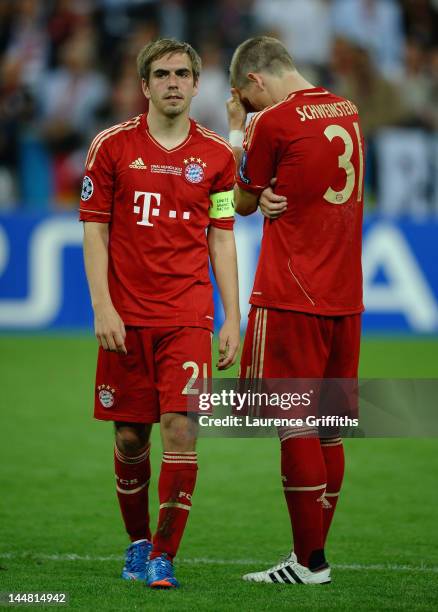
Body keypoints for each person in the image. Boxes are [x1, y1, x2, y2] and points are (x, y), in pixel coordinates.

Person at [80, 38, 240, 589]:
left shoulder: (218, 156)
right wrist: (103, 306)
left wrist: (232, 317)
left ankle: (164, 555)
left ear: (197, 85)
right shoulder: (111, 148)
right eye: (162, 74)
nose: (173, 82)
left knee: (182, 428)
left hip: (187, 317)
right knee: (130, 438)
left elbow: (222, 239)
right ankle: (138, 542)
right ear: (144, 85)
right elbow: (94, 230)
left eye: (182, 74)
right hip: (126, 317)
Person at [227, 36, 364, 585]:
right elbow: (305, 179)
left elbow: (236, 201)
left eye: (246, 98)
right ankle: (313, 555)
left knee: (294, 425)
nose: (249, 106)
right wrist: (268, 193)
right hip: (345, 296)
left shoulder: (269, 122)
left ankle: (309, 563)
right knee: (328, 428)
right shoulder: (346, 109)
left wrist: (238, 127)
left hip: (291, 294)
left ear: (254, 83)